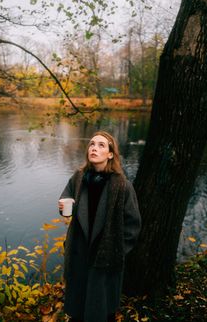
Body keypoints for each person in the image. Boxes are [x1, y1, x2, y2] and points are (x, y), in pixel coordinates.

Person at [58, 131, 141, 322]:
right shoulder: (78, 179)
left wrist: (117, 250)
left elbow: (133, 225)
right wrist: (63, 206)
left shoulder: (122, 186)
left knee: (101, 309)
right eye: (92, 144)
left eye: (101, 145)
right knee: (77, 310)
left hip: (105, 260)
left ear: (110, 154)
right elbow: (66, 202)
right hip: (79, 255)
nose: (94, 148)